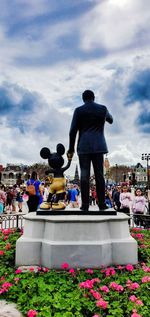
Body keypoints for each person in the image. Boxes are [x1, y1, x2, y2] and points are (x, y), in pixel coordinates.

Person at [67, 90, 113, 211]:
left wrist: (71, 148)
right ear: (93, 97)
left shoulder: (78, 110)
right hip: (99, 145)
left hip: (84, 146)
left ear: (83, 99)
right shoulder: (102, 108)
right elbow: (111, 119)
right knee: (99, 176)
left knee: (84, 175)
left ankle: (85, 205)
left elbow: (72, 131)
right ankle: (102, 204)